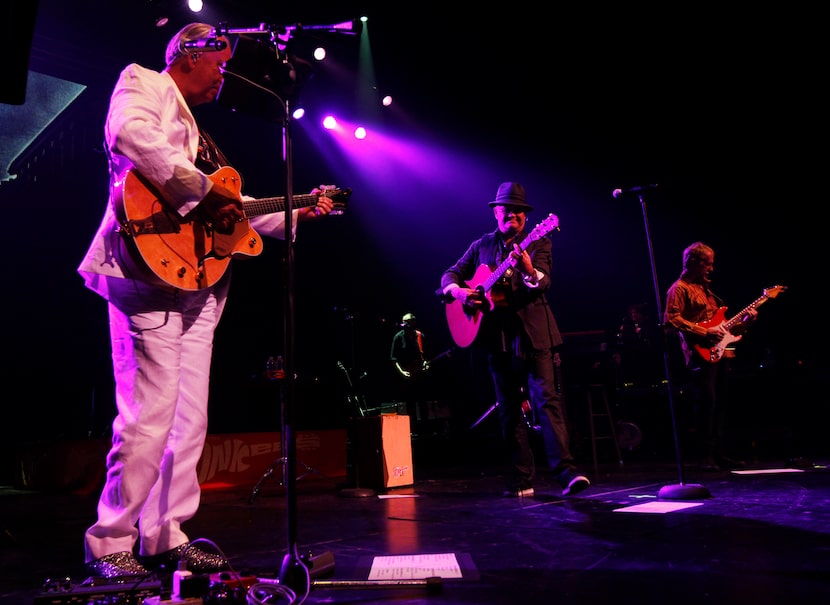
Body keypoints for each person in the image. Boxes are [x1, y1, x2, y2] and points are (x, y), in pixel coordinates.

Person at [76, 23, 336, 578]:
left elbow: (234, 209)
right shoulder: (141, 82)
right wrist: (202, 194)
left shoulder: (201, 133)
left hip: (198, 282)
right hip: (143, 271)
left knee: (189, 419)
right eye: (219, 60)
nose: (225, 73)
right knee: (148, 414)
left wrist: (296, 211)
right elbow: (129, 135)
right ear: (188, 52)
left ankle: (165, 533)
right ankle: (111, 540)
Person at [439, 182, 590, 498]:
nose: (514, 215)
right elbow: (450, 274)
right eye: (507, 209)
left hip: (535, 335)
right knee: (508, 408)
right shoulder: (481, 245)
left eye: (520, 210)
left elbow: (543, 281)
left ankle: (567, 473)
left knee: (546, 401)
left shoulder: (538, 242)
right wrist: (459, 292)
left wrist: (528, 269)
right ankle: (522, 478)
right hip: (498, 337)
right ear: (496, 212)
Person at [664, 241, 757, 471]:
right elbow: (671, 319)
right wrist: (705, 331)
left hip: (720, 353)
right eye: (708, 263)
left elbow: (722, 329)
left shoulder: (707, 292)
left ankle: (717, 453)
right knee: (706, 403)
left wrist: (745, 323)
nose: (711, 269)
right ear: (692, 262)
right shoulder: (679, 289)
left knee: (720, 404)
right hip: (699, 355)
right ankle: (703, 457)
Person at [390, 312, 430, 424]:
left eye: (407, 322)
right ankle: (412, 428)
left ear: (413, 322)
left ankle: (425, 427)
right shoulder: (398, 337)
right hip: (407, 375)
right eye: (403, 322)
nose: (404, 325)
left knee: (423, 402)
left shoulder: (420, 336)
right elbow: (393, 359)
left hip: (420, 375)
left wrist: (426, 363)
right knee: (409, 403)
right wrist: (402, 372)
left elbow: (426, 355)